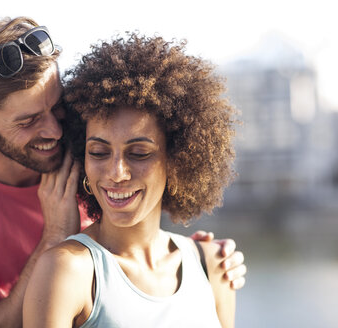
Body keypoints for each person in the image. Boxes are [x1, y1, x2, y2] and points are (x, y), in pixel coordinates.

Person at [0, 16, 246, 327]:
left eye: (57, 106)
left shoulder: (86, 150)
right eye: (28, 121)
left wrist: (199, 261)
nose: (54, 130)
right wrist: (54, 238)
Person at [23, 33, 239, 327]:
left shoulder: (213, 264)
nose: (116, 172)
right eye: (98, 152)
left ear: (177, 159)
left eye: (138, 153)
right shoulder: (68, 270)